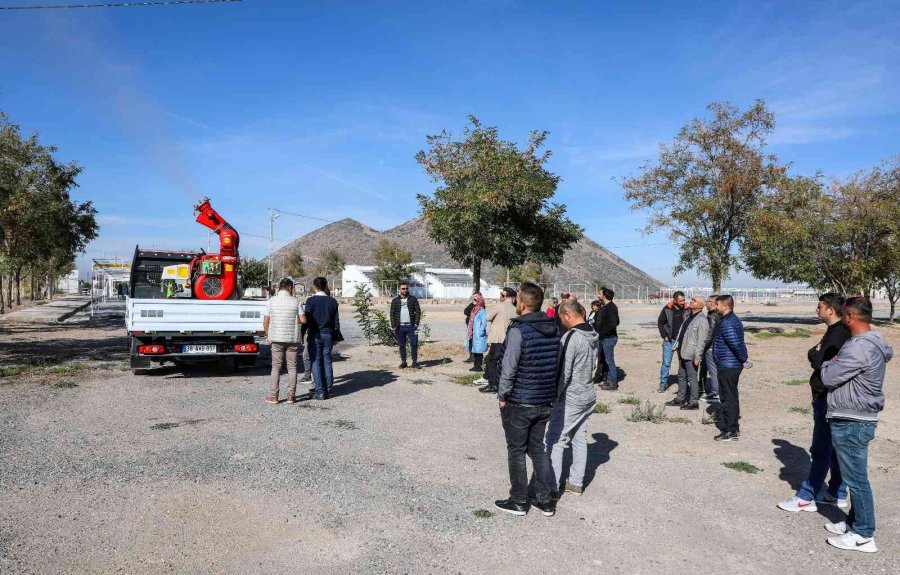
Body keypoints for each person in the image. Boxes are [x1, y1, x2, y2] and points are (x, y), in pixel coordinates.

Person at [820, 296, 893, 553]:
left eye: (844, 316)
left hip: (853, 419)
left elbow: (829, 376)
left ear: (850, 317)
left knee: (856, 479)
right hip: (855, 417)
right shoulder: (867, 342)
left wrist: (828, 361)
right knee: (854, 477)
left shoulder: (859, 347)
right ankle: (853, 523)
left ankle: (864, 534)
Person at [778, 293, 850, 513]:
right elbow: (815, 354)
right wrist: (816, 353)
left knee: (821, 449)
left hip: (826, 397)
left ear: (830, 309)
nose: (816, 310)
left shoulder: (838, 335)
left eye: (819, 306)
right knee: (836, 448)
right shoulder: (834, 331)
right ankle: (836, 492)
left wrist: (817, 355)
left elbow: (819, 360)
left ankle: (807, 496)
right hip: (828, 396)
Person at [494, 282, 560, 517]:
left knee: (516, 451)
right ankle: (544, 500)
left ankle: (519, 500)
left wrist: (502, 395)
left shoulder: (518, 330)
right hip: (543, 401)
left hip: (520, 401)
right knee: (538, 450)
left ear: (522, 303)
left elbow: (508, 367)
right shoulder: (555, 329)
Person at [545, 300, 599, 496]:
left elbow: (564, 371)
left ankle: (550, 486)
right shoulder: (593, 334)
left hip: (571, 397)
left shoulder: (572, 337)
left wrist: (554, 396)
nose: (561, 322)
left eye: (561, 318)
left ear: (568, 315)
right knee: (578, 439)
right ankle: (576, 482)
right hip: (587, 394)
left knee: (554, 440)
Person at [712, 294, 749, 441]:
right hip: (729, 364)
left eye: (718, 305)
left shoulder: (727, 322)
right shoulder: (730, 319)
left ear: (725, 306)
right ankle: (732, 428)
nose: (716, 307)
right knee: (730, 395)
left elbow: (735, 343)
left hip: (729, 365)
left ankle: (730, 430)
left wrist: (743, 359)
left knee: (728, 398)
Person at [263, 277, 302, 404]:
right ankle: (291, 396)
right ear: (290, 288)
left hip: (276, 338)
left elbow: (266, 321)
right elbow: (302, 320)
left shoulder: (271, 301)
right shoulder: (296, 301)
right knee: (292, 367)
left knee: (276, 367)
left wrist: (268, 335)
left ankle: (274, 396)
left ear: (280, 287)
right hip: (292, 339)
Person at [301, 277, 340, 400]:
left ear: (314, 286)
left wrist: (302, 335)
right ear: (326, 285)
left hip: (315, 334)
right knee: (327, 360)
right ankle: (328, 388)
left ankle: (320, 390)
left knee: (316, 362)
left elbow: (306, 321)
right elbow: (336, 322)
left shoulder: (311, 301)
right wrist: (336, 336)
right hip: (328, 334)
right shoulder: (333, 301)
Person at [668, 295, 708, 410]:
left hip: (691, 354)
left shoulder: (702, 320)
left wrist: (698, 356)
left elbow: (701, 341)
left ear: (701, 305)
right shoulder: (690, 316)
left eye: (694, 301)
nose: (691, 301)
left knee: (692, 378)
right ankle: (680, 399)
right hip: (683, 352)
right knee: (681, 375)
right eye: (692, 299)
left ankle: (693, 402)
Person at [480, 287, 517, 392]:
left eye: (502, 295)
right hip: (510, 339)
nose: (500, 296)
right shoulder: (515, 309)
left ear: (506, 296)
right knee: (504, 363)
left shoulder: (499, 306)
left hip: (498, 338)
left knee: (492, 361)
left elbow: (487, 317)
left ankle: (493, 385)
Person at [657, 291, 688, 393]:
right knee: (666, 363)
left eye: (684, 300)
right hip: (669, 341)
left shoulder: (688, 309)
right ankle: (663, 383)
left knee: (683, 363)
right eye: (680, 300)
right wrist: (664, 335)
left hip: (683, 341)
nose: (683, 302)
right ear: (674, 300)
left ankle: (684, 384)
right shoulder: (667, 309)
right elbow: (660, 322)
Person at [390, 281, 422, 369]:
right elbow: (392, 314)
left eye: (406, 288)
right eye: (403, 288)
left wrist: (416, 323)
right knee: (402, 345)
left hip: (412, 326)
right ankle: (403, 362)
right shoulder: (395, 300)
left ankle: (414, 362)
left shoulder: (413, 299)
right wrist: (393, 326)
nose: (405, 290)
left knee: (414, 344)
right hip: (399, 327)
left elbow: (418, 311)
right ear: (399, 289)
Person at [595, 288, 620, 391]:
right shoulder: (605, 306)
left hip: (608, 338)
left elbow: (614, 323)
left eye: (600, 293)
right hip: (604, 337)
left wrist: (603, 332)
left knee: (609, 361)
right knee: (606, 360)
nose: (598, 295)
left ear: (604, 295)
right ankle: (609, 381)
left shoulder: (611, 307)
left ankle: (613, 383)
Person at [698, 296, 722, 404]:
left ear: (712, 303)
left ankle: (715, 393)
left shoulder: (712, 316)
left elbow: (710, 334)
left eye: (707, 301)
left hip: (711, 347)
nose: (705, 303)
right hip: (717, 346)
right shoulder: (718, 314)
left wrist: (702, 346)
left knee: (713, 371)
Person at [466, 292, 488, 372]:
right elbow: (466, 312)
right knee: (475, 349)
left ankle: (478, 367)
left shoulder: (482, 310)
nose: (474, 300)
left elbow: (484, 322)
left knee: (479, 351)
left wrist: (481, 332)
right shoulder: (474, 309)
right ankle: (476, 365)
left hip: (478, 333)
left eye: (476, 299)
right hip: (473, 333)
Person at [463, 295, 476, 363]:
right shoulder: (471, 304)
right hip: (470, 326)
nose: (474, 299)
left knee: (475, 342)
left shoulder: (481, 306)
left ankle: (475, 358)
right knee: (470, 341)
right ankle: (471, 357)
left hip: (476, 327)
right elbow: (465, 311)